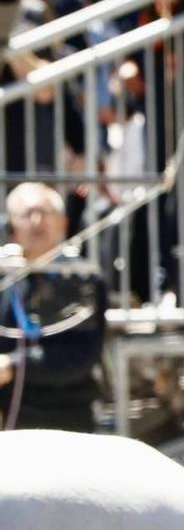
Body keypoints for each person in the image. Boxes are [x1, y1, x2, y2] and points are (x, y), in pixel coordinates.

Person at [0, 182, 107, 433]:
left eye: (44, 213)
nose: (36, 222)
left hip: (67, 413)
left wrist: (14, 365)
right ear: (10, 227)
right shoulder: (5, 278)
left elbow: (79, 356)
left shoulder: (82, 278)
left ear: (63, 222)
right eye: (26, 214)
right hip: (11, 418)